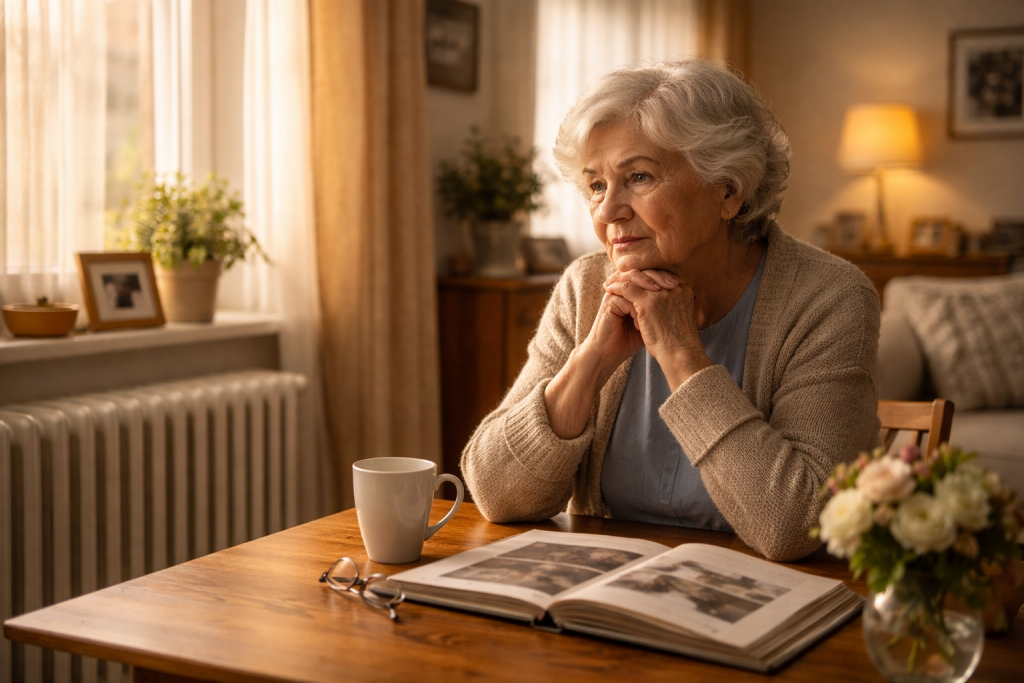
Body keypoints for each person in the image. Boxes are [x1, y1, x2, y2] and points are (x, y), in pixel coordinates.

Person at [461, 59, 880, 562]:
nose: (608, 210)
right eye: (596, 185)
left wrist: (682, 356)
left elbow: (799, 527)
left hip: (762, 607)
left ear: (727, 191)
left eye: (638, 177)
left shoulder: (829, 299)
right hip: (604, 597)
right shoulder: (586, 286)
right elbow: (495, 494)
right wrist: (591, 360)